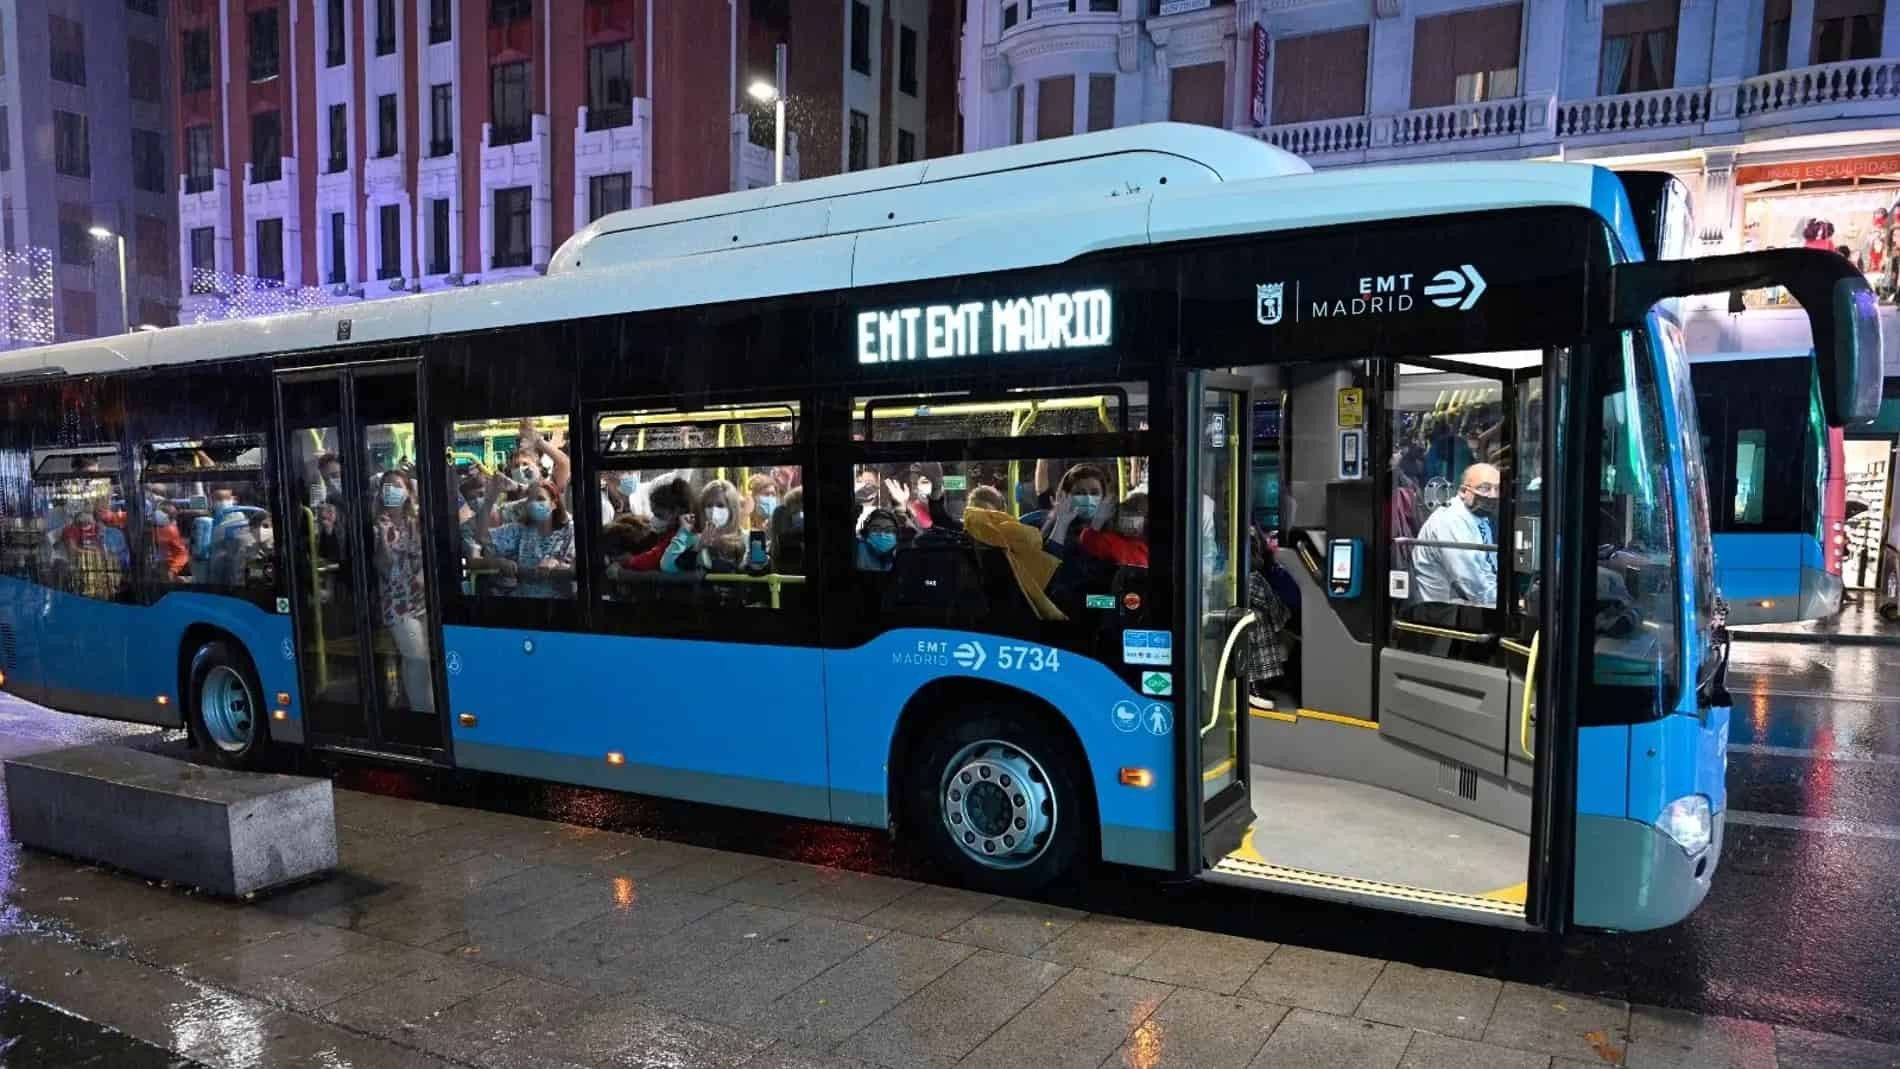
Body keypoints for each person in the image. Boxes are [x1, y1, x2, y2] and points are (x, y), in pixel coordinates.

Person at [370, 470, 434, 713]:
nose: (390, 490)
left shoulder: (415, 522)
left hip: (421, 598)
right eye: (386, 486)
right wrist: (384, 540)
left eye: (396, 486)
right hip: (396, 602)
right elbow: (383, 566)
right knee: (417, 657)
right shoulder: (377, 525)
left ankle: (417, 708)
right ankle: (425, 711)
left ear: (408, 491)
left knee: (419, 660)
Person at [1411, 462, 1500, 608]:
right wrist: (1504, 601)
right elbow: (1472, 584)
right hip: (1441, 611)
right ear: (1463, 491)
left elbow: (1488, 569)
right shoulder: (1450, 520)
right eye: (1485, 488)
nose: (1493, 495)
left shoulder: (1479, 517)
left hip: (1467, 603)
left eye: (1497, 489)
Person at [474, 475, 577, 595]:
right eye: (530, 499)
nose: (534, 503)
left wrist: (557, 565)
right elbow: (482, 537)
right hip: (524, 600)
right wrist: (490, 499)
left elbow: (575, 566)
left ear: (554, 503)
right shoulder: (520, 530)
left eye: (540, 499)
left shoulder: (570, 529)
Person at [619, 477, 696, 573]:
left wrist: (626, 562)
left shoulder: (681, 537)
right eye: (653, 514)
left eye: (659, 515)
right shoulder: (667, 532)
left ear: (676, 511)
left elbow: (653, 558)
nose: (654, 519)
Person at [1078, 492, 1149, 567]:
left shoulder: (1133, 552)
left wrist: (1097, 522)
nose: (1120, 518)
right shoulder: (1139, 548)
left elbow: (1089, 541)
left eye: (1128, 513)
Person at [696, 479, 746, 572]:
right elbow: (667, 566)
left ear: (732, 508)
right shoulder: (696, 539)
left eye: (720, 505)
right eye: (709, 505)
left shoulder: (747, 538)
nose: (714, 510)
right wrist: (698, 547)